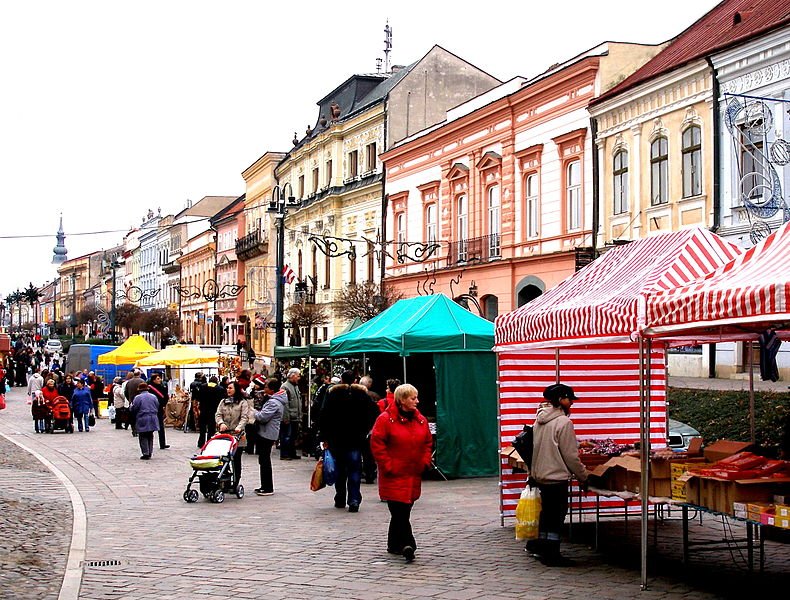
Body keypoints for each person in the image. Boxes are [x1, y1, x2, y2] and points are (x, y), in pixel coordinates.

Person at [526, 383, 589, 566]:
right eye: (570, 399)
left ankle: (541, 549)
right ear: (561, 400)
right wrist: (583, 476)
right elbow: (570, 456)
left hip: (541, 475)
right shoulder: (564, 422)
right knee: (556, 516)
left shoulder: (539, 420)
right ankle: (552, 555)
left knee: (546, 514)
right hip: (556, 476)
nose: (572, 403)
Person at [370, 383, 432, 563]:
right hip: (394, 474)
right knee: (399, 511)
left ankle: (393, 543)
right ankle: (408, 543)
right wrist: (388, 465)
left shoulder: (420, 420)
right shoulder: (385, 419)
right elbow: (377, 444)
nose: (417, 401)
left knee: (403, 510)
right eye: (413, 398)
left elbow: (428, 442)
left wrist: (425, 461)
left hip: (413, 473)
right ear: (403, 400)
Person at [319, 371, 378, 513]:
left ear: (341, 380)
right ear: (356, 380)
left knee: (340, 469)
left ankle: (340, 498)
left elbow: (324, 416)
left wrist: (324, 437)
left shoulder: (332, 394)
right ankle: (354, 499)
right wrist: (364, 430)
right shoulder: (363, 395)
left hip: (336, 439)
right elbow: (374, 413)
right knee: (354, 469)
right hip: (355, 439)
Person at [251, 378, 288, 496]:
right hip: (269, 432)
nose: (264, 388)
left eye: (266, 386)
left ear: (272, 389)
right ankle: (265, 485)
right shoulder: (275, 400)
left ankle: (267, 487)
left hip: (267, 433)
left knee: (265, 460)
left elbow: (263, 417)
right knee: (263, 459)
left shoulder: (273, 402)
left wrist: (254, 412)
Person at [215, 381, 250, 490]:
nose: (228, 390)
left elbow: (244, 417)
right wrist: (221, 423)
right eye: (227, 388)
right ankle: (225, 480)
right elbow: (218, 414)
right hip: (225, 435)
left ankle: (236, 481)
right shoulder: (223, 402)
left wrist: (239, 427)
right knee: (223, 459)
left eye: (230, 388)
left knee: (236, 459)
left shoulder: (242, 403)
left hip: (237, 435)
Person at [129, 382, 160, 460]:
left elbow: (134, 408)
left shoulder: (138, 398)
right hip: (153, 417)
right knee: (150, 435)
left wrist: (131, 408)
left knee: (143, 435)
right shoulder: (153, 396)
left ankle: (145, 452)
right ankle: (150, 451)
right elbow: (157, 405)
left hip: (142, 417)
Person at [280, 368, 303, 460]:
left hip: (295, 416)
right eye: (298, 376)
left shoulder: (295, 386)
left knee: (293, 436)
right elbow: (284, 403)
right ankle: (284, 454)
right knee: (286, 436)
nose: (299, 378)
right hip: (289, 416)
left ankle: (292, 453)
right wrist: (285, 417)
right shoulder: (285, 387)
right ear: (293, 376)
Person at [197, 375, 223, 447]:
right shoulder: (219, 389)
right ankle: (209, 442)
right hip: (213, 410)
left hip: (203, 410)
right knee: (211, 428)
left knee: (202, 428)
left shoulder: (202, 387)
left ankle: (201, 442)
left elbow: (199, 398)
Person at [147, 373, 170, 449]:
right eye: (158, 378)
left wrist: (164, 404)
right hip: (152, 409)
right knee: (151, 427)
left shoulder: (162, 386)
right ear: (153, 380)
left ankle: (162, 443)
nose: (160, 380)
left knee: (161, 426)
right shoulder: (150, 388)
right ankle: (148, 443)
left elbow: (165, 396)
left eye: (160, 378)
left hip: (160, 408)